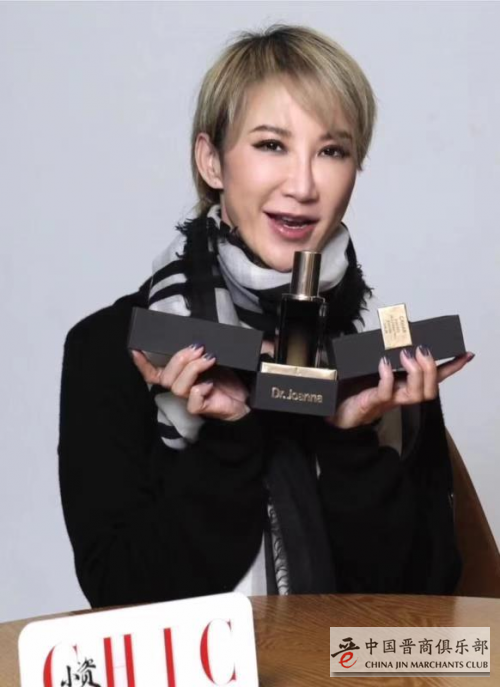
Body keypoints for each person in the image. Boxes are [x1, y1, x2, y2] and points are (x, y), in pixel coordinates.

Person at [59, 25, 472, 608]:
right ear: (211, 161)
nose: (302, 185)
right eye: (271, 145)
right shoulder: (113, 347)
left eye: (332, 151)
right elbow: (120, 597)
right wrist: (226, 436)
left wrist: (352, 442)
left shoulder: (383, 357)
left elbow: (424, 609)